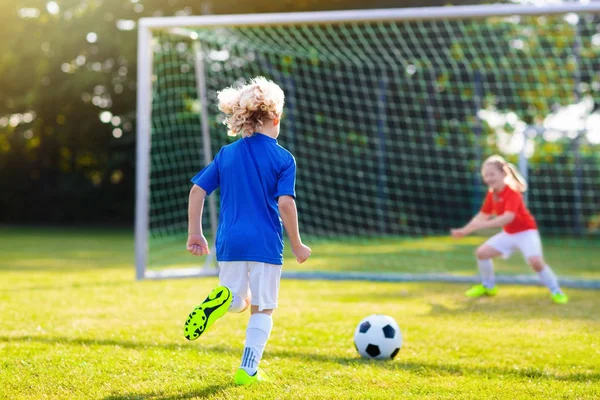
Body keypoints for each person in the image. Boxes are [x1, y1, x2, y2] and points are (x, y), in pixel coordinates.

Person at [183, 77, 311, 385]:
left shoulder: (227, 153)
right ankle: (248, 369)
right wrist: (297, 243)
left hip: (229, 242)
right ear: (275, 117)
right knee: (263, 308)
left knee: (238, 300)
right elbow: (285, 204)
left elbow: (198, 191)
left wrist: (195, 234)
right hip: (264, 243)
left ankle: (224, 299)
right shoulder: (283, 158)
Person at [450, 155, 568, 304]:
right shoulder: (492, 194)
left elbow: (508, 218)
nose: (488, 178)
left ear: (504, 174)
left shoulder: (512, 192)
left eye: (491, 174)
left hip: (526, 232)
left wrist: (483, 226)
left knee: (536, 262)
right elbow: (482, 215)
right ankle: (488, 286)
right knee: (482, 253)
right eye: (485, 175)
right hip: (509, 234)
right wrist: (464, 231)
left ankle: (556, 291)